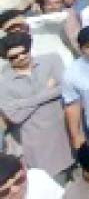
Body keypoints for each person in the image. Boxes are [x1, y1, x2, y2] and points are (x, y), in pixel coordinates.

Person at [0, 33, 73, 181]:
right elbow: (15, 116)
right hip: (40, 149)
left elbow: (66, 88)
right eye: (14, 57)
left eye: (23, 52)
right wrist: (47, 92)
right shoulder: (3, 82)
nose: (21, 57)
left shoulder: (52, 60)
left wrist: (23, 103)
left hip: (68, 135)